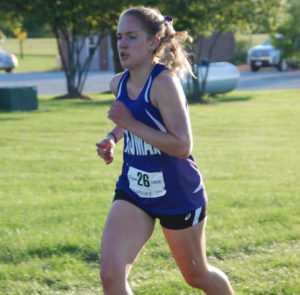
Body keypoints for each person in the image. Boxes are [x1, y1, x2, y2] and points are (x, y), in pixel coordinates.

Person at [96, 6, 234, 295]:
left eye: (131, 36)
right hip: (134, 190)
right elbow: (129, 121)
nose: (122, 43)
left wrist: (129, 122)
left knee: (197, 276)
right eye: (119, 36)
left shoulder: (164, 83)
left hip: (178, 195)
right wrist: (112, 136)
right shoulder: (118, 83)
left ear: (153, 41)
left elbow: (183, 146)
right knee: (111, 274)